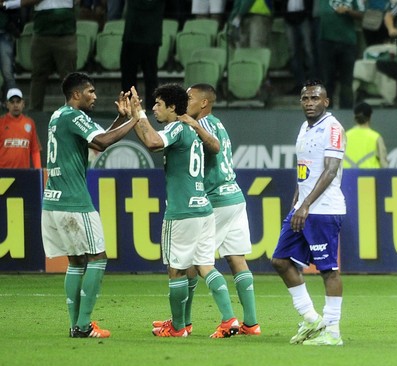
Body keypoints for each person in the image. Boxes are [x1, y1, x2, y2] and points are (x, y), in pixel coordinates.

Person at [129, 83, 240, 338]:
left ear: (172, 107)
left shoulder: (177, 127)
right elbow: (211, 146)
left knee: (176, 270)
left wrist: (138, 115)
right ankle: (229, 319)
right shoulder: (193, 128)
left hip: (181, 212)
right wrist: (138, 118)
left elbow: (153, 142)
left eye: (158, 104)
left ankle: (179, 327)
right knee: (204, 266)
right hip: (203, 209)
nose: (154, 108)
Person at [41, 72, 137, 338]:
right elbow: (102, 142)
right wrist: (134, 120)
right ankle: (84, 325)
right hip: (74, 201)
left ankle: (76, 325)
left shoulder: (58, 116)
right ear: (76, 94)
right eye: (90, 92)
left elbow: (97, 140)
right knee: (97, 257)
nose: (95, 96)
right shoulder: (74, 116)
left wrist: (119, 119)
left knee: (76, 261)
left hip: (52, 200)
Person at [168, 83, 261, 335]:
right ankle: (251, 323)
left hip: (216, 199)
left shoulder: (201, 126)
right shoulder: (218, 123)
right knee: (237, 259)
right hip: (235, 197)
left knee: (195, 262)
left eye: (189, 98)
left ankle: (194, 322)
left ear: (204, 103)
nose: (185, 102)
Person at [271, 80, 347, 346]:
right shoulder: (305, 127)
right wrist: (297, 204)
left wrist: (306, 205)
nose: (310, 103)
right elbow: (303, 170)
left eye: (315, 98)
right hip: (303, 208)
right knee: (280, 260)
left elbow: (330, 169)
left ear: (326, 101)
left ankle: (333, 331)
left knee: (328, 270)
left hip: (324, 210)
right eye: (305, 99)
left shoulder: (333, 128)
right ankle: (311, 319)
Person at [8, 0, 77, 111]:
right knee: (38, 75)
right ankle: (35, 112)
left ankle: (74, 111)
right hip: (42, 34)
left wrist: (8, 4)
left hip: (65, 34)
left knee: (69, 76)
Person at [317, 0, 363, 109]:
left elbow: (362, 14)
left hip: (347, 42)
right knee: (327, 80)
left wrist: (348, 11)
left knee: (347, 81)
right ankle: (326, 114)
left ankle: (346, 111)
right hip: (326, 41)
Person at [120, 0, 165, 111]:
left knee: (144, 77)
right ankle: (138, 108)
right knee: (147, 77)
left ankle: (133, 109)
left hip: (142, 36)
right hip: (144, 37)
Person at [0, 88, 41, 168]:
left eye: (18, 102)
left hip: (23, 173)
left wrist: (38, 170)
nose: (15, 105)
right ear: (7, 104)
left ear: (23, 104)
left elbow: (35, 150)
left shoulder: (30, 123)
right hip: (3, 173)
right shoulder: (1, 122)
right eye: (12, 102)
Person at [343, 102, 388, 168]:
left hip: (347, 176)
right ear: (370, 117)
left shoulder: (344, 136)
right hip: (370, 177)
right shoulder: (376, 137)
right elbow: (384, 164)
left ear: (354, 117)